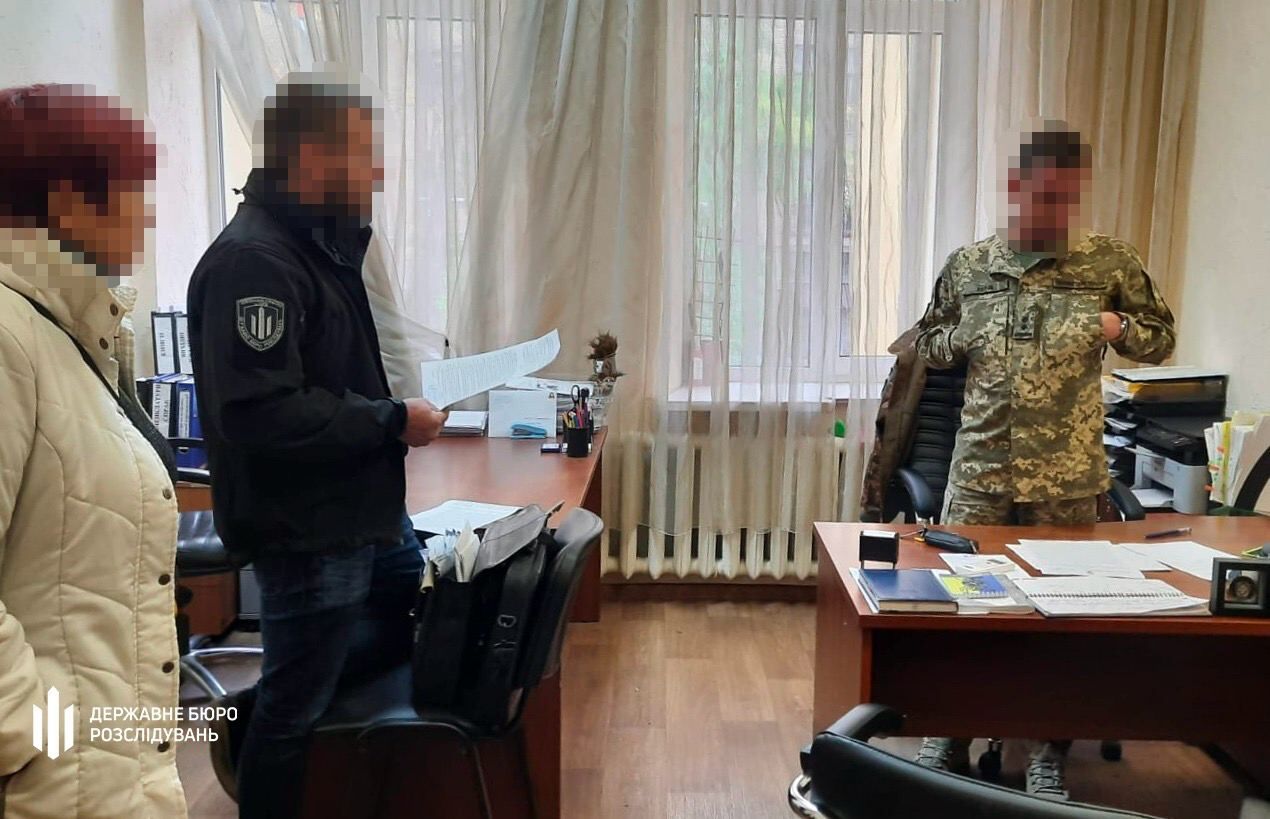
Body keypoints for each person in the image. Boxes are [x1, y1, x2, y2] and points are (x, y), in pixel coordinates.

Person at [187, 78, 447, 818]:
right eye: (364, 154)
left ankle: (270, 709)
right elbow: (261, 412)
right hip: (309, 531)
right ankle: (259, 739)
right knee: (293, 713)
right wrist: (391, 422)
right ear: (309, 157)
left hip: (365, 514)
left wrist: (387, 422)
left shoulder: (318, 245)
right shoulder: (254, 263)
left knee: (397, 632)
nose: (378, 172)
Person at [911, 123, 1176, 799]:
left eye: (1067, 198)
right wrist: (961, 334)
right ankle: (950, 734)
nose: (1054, 211)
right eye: (1043, 197)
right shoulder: (970, 265)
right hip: (979, 475)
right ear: (1015, 187)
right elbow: (928, 342)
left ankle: (1046, 753)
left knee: (1059, 618)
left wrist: (1117, 326)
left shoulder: (1108, 263)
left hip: (1066, 478)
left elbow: (1161, 339)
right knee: (964, 612)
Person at [0, 84, 186, 817]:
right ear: (68, 203)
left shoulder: (73, 333)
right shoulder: (9, 337)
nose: (146, 215)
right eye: (134, 191)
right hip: (56, 778)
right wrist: (34, 737)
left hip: (107, 762)